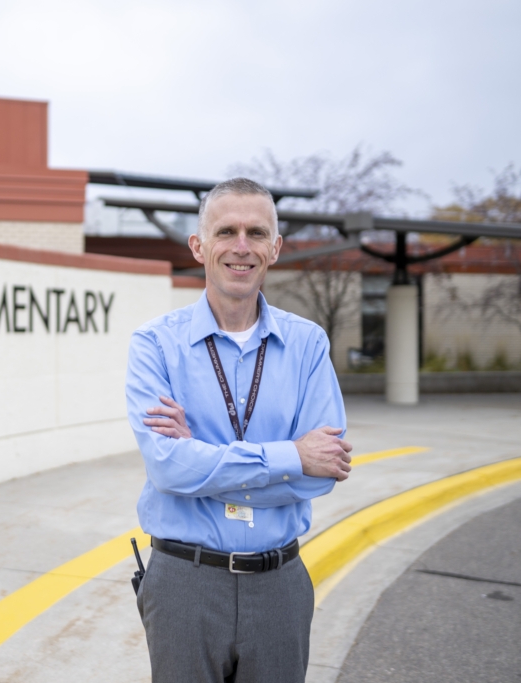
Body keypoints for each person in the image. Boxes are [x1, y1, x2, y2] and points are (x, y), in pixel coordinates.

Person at [125, 177, 353, 683]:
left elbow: (321, 474)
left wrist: (203, 460)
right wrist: (290, 456)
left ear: (275, 248)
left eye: (256, 232)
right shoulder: (154, 345)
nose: (241, 247)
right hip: (184, 584)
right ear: (199, 245)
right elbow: (167, 468)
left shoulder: (308, 345)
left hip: (279, 586)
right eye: (226, 230)